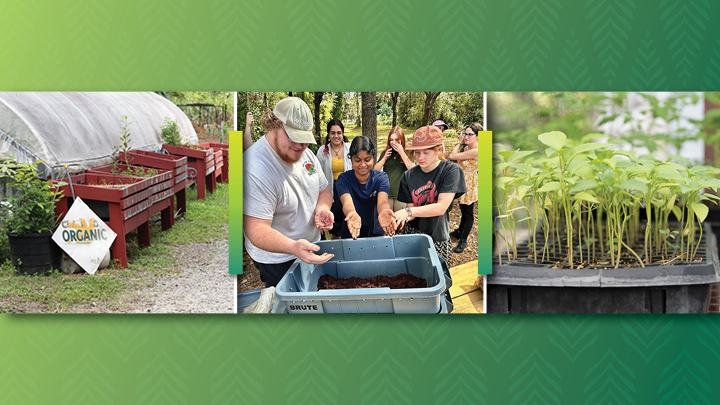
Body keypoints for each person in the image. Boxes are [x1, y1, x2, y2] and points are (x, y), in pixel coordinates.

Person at [243, 97, 335, 287]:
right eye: (294, 137)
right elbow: (256, 229)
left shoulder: (306, 154)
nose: (300, 146)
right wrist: (293, 247)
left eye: (305, 140)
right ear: (272, 125)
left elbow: (323, 190)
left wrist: (322, 208)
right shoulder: (255, 166)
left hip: (310, 246)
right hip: (277, 258)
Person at [393, 126, 466, 265]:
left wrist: (407, 211)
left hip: (438, 234)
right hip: (413, 234)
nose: (420, 157)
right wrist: (397, 219)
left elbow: (441, 207)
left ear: (438, 150)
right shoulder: (408, 176)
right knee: (412, 273)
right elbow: (411, 211)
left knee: (438, 276)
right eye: (417, 152)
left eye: (426, 152)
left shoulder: (450, 171)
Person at [336, 136, 396, 239]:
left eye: (367, 160)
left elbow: (382, 202)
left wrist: (384, 211)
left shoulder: (381, 178)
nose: (363, 165)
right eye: (357, 160)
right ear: (351, 160)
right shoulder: (343, 179)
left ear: (373, 158)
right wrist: (351, 213)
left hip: (375, 233)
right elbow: (347, 203)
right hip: (351, 231)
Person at [447, 123, 481, 253]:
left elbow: (453, 156)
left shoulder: (475, 150)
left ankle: (463, 239)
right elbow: (456, 160)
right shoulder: (467, 149)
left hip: (469, 184)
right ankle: (460, 231)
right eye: (465, 133)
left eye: (469, 134)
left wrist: (459, 143)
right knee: (463, 210)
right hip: (461, 181)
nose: (466, 137)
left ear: (477, 136)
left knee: (468, 213)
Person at [315, 119, 352, 236]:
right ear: (328, 135)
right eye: (333, 133)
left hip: (347, 188)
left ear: (343, 134)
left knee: (346, 215)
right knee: (334, 220)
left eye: (339, 133)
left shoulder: (349, 148)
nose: (336, 136)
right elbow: (316, 172)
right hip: (330, 189)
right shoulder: (322, 151)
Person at [374, 126, 414, 212]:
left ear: (402, 140)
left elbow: (413, 169)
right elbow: (375, 170)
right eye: (391, 140)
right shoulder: (386, 153)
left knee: (399, 222)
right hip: (386, 192)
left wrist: (402, 153)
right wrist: (384, 158)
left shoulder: (407, 153)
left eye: (396, 140)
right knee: (387, 221)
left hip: (401, 193)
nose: (393, 142)